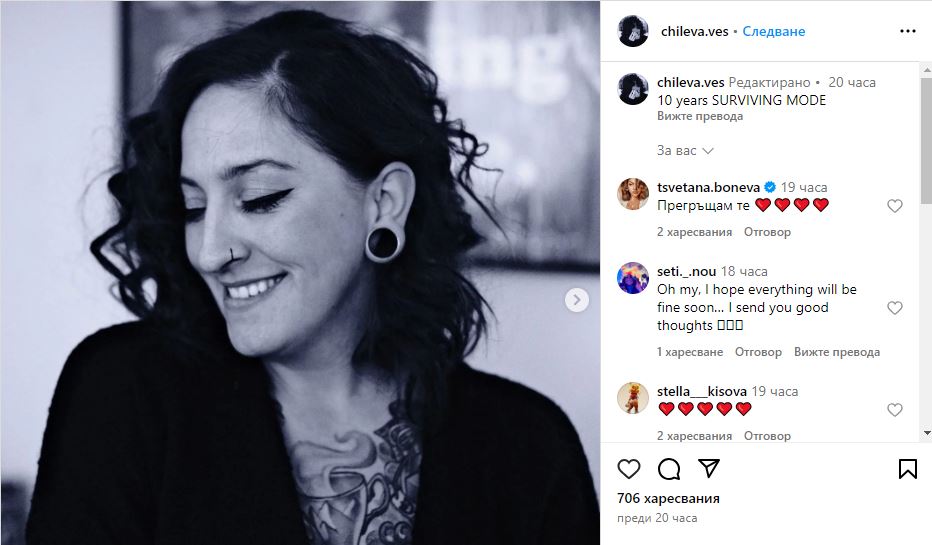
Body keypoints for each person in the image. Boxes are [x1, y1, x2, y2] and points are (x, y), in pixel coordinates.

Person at [26, 10, 598, 545]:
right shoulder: (124, 395)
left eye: (260, 198)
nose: (210, 251)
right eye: (192, 207)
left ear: (385, 202)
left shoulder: (528, 449)